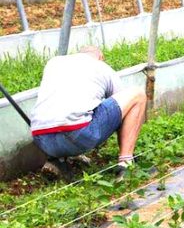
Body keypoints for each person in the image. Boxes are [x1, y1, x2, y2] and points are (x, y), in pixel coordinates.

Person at [30, 46, 147, 178]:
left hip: (41, 140)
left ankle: (57, 161)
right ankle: (126, 163)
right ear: (101, 57)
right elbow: (123, 110)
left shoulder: (54, 63)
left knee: (65, 114)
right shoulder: (101, 66)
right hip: (78, 135)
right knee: (138, 95)